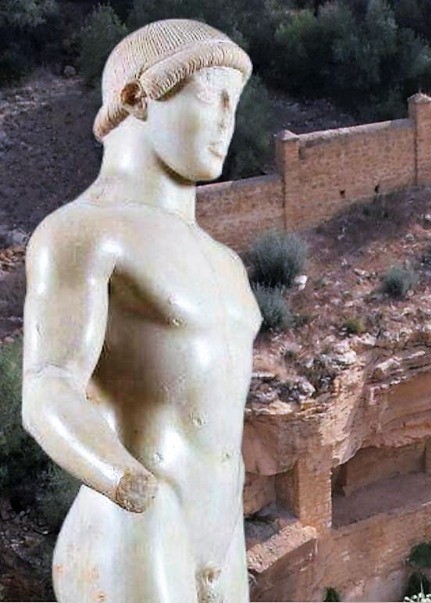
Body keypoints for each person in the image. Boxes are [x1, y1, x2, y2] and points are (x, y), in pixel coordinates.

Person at [20, 19, 259, 603]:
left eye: (236, 99)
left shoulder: (226, 262)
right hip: (138, 523)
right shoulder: (84, 233)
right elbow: (47, 387)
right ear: (137, 97)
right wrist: (126, 483)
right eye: (210, 93)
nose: (228, 116)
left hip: (223, 531)